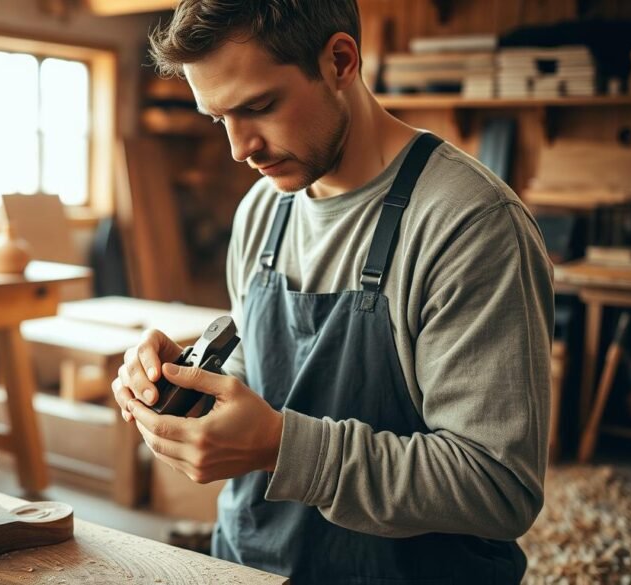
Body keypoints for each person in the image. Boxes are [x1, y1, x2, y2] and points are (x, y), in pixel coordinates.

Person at [110, 1, 554, 583]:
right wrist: (184, 385)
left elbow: (498, 488)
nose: (239, 148)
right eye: (219, 119)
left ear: (340, 60)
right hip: (250, 565)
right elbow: (262, 377)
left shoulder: (468, 224)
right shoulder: (262, 211)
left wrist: (283, 449)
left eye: (260, 106)